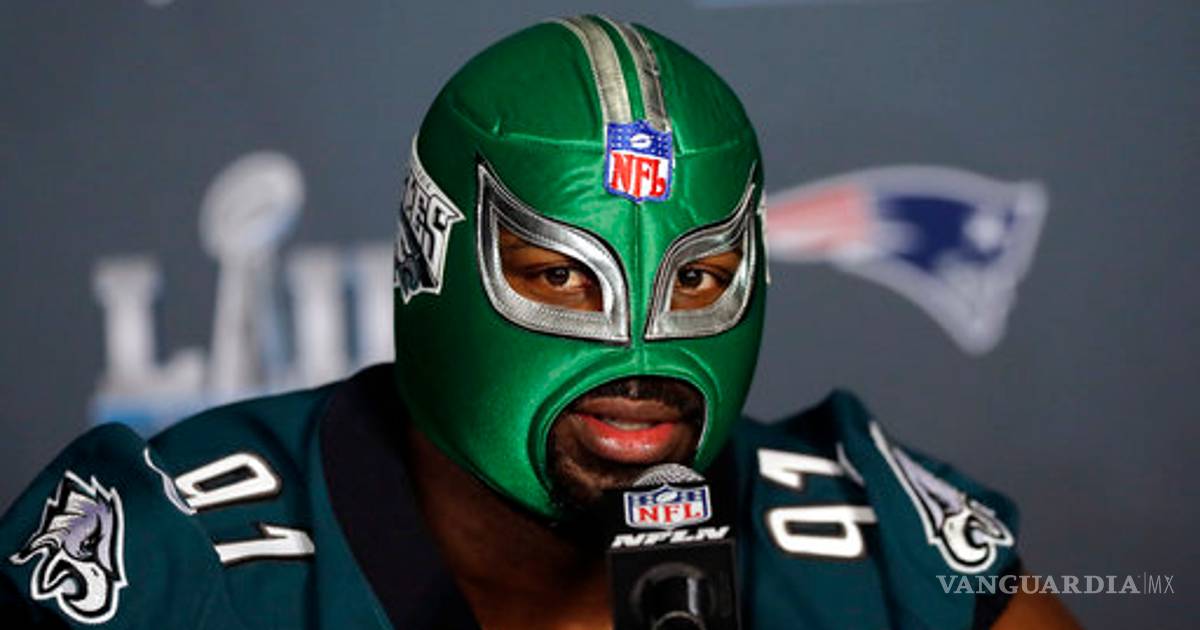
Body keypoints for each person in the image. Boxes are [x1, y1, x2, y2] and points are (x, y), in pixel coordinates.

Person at [0, 16, 1078, 629]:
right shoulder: (172, 556)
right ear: (430, 259)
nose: (640, 354)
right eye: (561, 276)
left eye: (699, 280)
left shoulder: (871, 547)